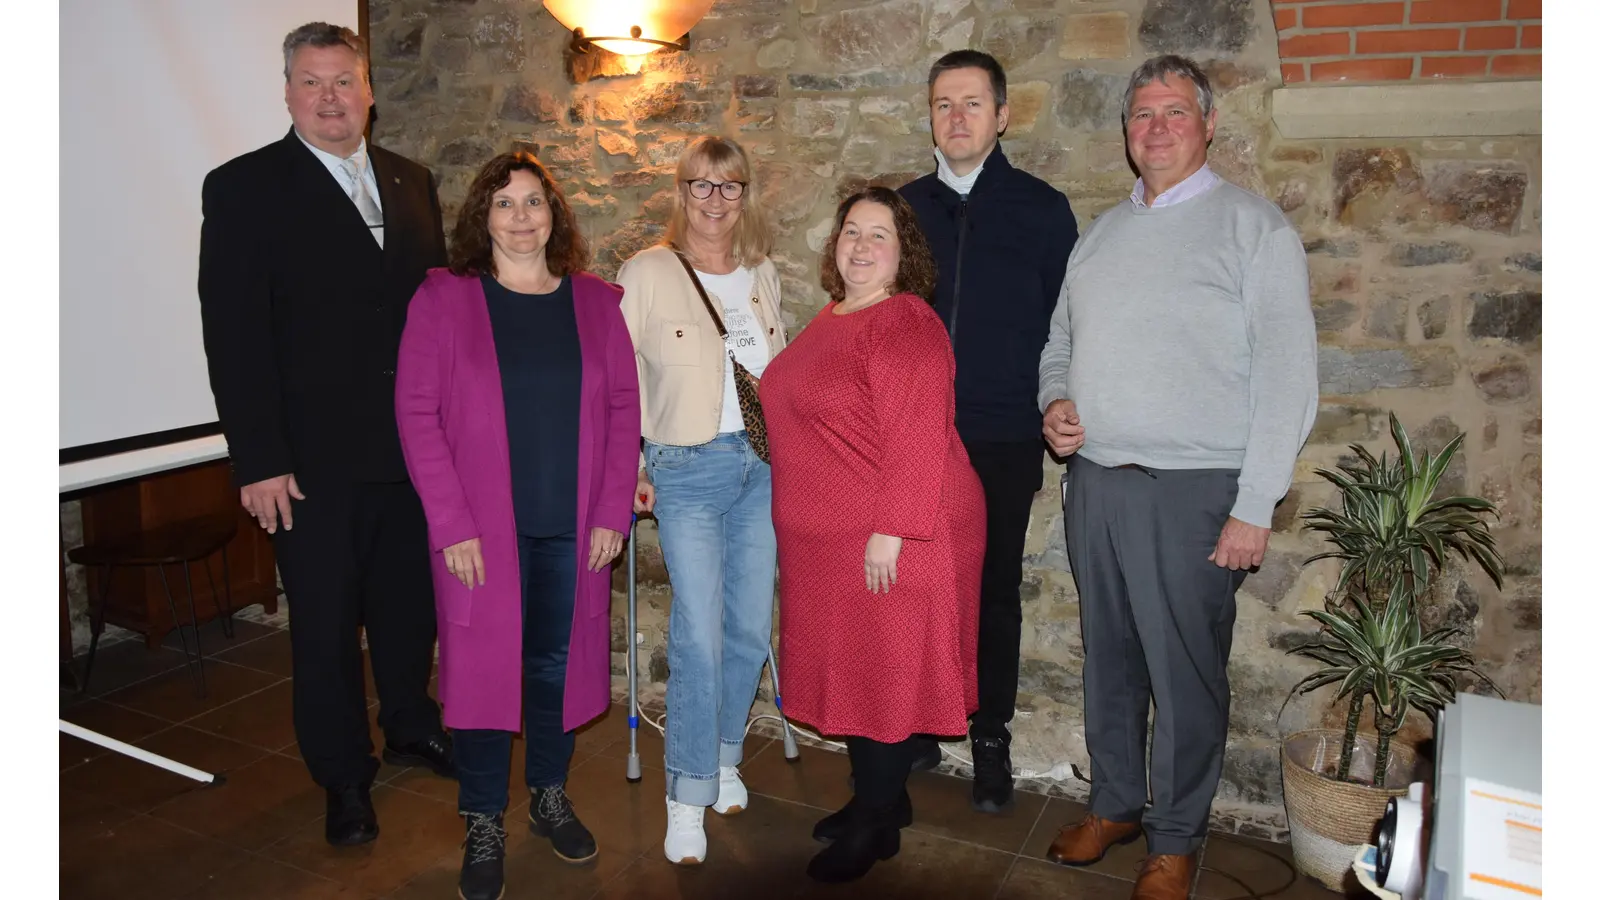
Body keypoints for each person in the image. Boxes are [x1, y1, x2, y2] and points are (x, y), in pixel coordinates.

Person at [1036, 55, 1318, 900]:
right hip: (1098, 484)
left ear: (1207, 124)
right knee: (1109, 664)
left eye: (1173, 113)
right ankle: (1117, 802)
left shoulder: (1253, 229)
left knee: (1186, 672)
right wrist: (1055, 401)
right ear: (1126, 133)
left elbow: (1290, 377)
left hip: (1196, 492)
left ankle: (1176, 838)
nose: (1154, 128)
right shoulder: (1103, 233)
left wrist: (1255, 503)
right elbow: (1059, 342)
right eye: (1140, 116)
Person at [196, 21, 454, 847]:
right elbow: (232, 336)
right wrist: (260, 458)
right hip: (308, 465)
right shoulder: (243, 188)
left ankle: (412, 724)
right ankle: (345, 776)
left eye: (345, 80)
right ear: (287, 93)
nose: (331, 98)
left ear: (369, 90)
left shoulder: (413, 182)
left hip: (412, 454)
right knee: (326, 627)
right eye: (312, 82)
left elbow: (435, 319)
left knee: (411, 610)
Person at [394, 151, 640, 900]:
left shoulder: (597, 303)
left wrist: (609, 510)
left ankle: (548, 793)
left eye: (535, 202)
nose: (522, 217)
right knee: (479, 673)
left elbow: (625, 410)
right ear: (483, 218)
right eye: (505, 204)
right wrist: (451, 524)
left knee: (554, 669)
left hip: (573, 527)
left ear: (554, 215)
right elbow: (416, 414)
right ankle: (482, 817)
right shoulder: (443, 299)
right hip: (479, 533)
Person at [760, 187, 987, 884]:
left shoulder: (904, 321)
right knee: (859, 668)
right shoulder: (834, 316)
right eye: (851, 231)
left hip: (896, 534)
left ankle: (875, 825)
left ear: (903, 252)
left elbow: (919, 428)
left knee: (884, 673)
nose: (860, 245)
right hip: (833, 537)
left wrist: (892, 530)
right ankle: (878, 800)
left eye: (878, 235)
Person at [898, 49, 1079, 814]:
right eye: (944, 104)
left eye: (972, 103)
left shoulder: (1043, 209)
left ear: (1002, 116)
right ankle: (918, 725)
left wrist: (1058, 401)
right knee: (914, 586)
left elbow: (1069, 327)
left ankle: (990, 734)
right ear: (931, 117)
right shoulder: (903, 210)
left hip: (1004, 435)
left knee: (992, 591)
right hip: (916, 435)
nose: (958, 118)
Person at [616, 135, 787, 866]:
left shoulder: (762, 274)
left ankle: (722, 758)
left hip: (761, 469)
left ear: (745, 194)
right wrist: (628, 464)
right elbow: (619, 382)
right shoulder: (648, 271)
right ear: (680, 192)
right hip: (685, 468)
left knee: (749, 628)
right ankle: (684, 796)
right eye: (701, 186)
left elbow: (778, 378)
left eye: (729, 186)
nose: (715, 200)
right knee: (699, 634)